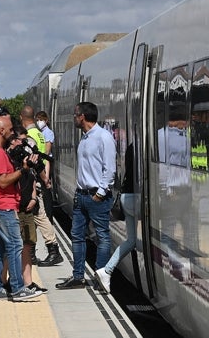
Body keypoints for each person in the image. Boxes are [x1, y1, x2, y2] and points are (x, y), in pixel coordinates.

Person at [56, 102, 116, 289]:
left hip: (96, 197)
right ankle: (78, 276)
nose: (74, 118)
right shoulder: (84, 138)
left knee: (102, 236)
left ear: (83, 116)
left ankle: (101, 275)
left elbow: (110, 168)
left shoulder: (103, 137)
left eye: (75, 115)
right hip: (81, 194)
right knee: (77, 235)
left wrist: (100, 193)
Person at [0, 115, 42, 301]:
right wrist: (23, 170)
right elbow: (2, 181)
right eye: (9, 130)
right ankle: (17, 288)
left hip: (1, 205)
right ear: (1, 131)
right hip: (3, 205)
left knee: (0, 248)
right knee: (15, 245)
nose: (11, 133)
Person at [19, 105, 63, 266]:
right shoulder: (40, 133)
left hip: (32, 180)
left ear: (21, 117)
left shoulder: (28, 136)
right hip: (38, 178)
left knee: (37, 216)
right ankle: (44, 251)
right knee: (39, 216)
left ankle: (38, 252)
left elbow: (34, 161)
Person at [6, 126, 48, 293]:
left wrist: (33, 196)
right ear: (12, 140)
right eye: (20, 141)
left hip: (27, 206)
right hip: (13, 207)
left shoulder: (26, 155)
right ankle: (9, 281)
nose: (23, 144)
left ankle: (28, 282)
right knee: (13, 246)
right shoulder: (7, 156)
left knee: (28, 244)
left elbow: (33, 176)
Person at [95, 143, 138, 293]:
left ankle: (106, 271)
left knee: (132, 240)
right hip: (137, 198)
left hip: (126, 197)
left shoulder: (132, 146)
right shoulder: (146, 146)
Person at [35, 110, 55, 221]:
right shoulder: (39, 132)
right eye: (37, 120)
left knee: (46, 188)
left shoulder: (48, 133)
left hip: (45, 162)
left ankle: (49, 215)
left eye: (41, 120)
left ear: (46, 121)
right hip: (41, 162)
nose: (39, 122)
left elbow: (47, 151)